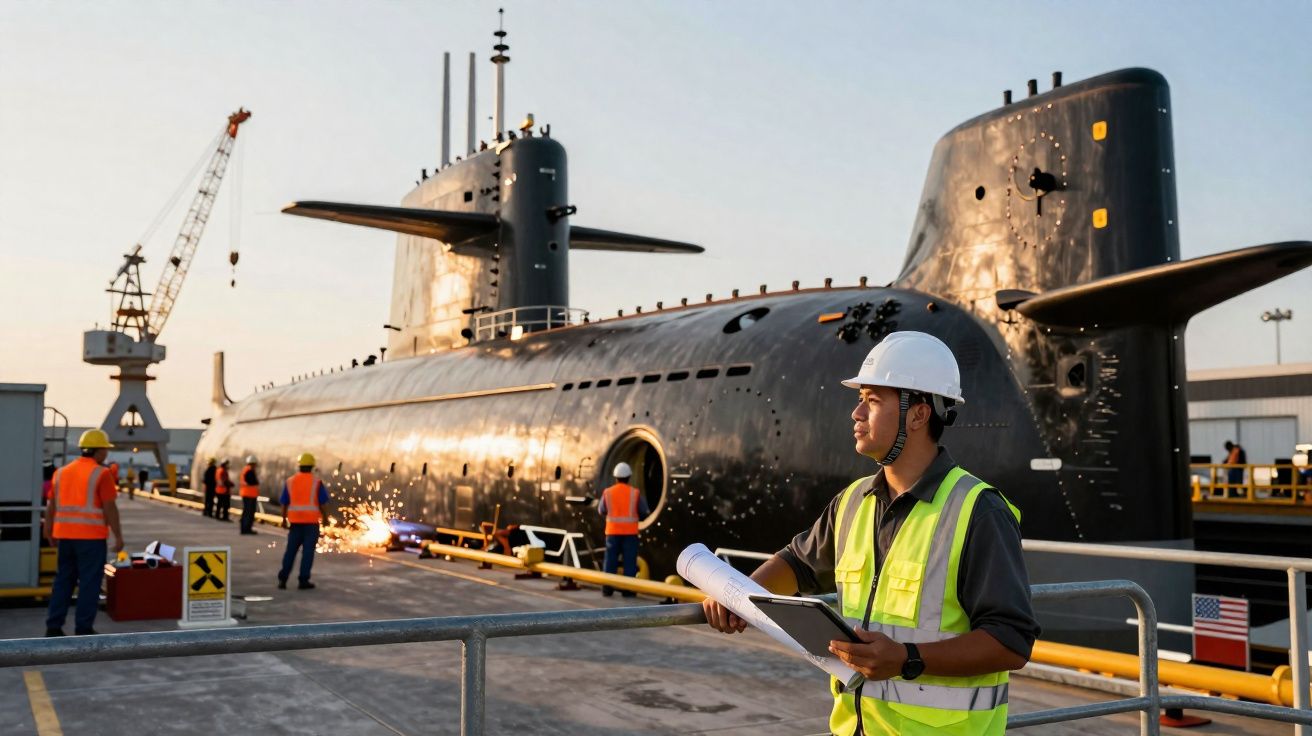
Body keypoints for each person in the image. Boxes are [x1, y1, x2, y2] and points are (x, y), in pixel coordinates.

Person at [701, 331, 1039, 735]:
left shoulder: (979, 511)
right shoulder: (852, 502)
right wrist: (740, 595)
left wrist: (907, 658)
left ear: (918, 414)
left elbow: (1011, 642)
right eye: (860, 399)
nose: (856, 414)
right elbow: (797, 562)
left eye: (873, 400)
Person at [43, 429, 125, 637]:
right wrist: (118, 535)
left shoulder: (61, 473)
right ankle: (83, 628)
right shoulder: (102, 473)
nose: (106, 453)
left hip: (65, 537)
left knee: (63, 580)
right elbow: (109, 508)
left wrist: (48, 529)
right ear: (99, 451)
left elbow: (52, 505)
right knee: (89, 583)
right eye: (105, 449)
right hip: (91, 538)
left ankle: (53, 626)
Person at [597, 462, 649, 597]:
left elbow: (601, 510)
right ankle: (628, 590)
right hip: (630, 534)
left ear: (615, 477)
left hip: (612, 533)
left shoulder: (608, 492)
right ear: (629, 477)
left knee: (610, 561)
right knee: (629, 562)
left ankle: (607, 589)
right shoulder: (635, 493)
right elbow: (644, 512)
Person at [279, 452, 329, 590]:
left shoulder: (290, 481)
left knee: (290, 552)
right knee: (308, 552)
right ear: (312, 467)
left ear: (299, 466)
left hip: (295, 524)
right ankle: (303, 580)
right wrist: (325, 519)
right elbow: (322, 503)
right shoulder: (317, 482)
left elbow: (284, 503)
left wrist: (283, 520)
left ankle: (283, 580)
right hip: (311, 524)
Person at [239, 455, 260, 535]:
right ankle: (246, 529)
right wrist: (256, 483)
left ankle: (245, 528)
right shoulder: (249, 471)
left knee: (247, 512)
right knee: (249, 513)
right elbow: (252, 482)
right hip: (249, 495)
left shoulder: (246, 470)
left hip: (248, 494)